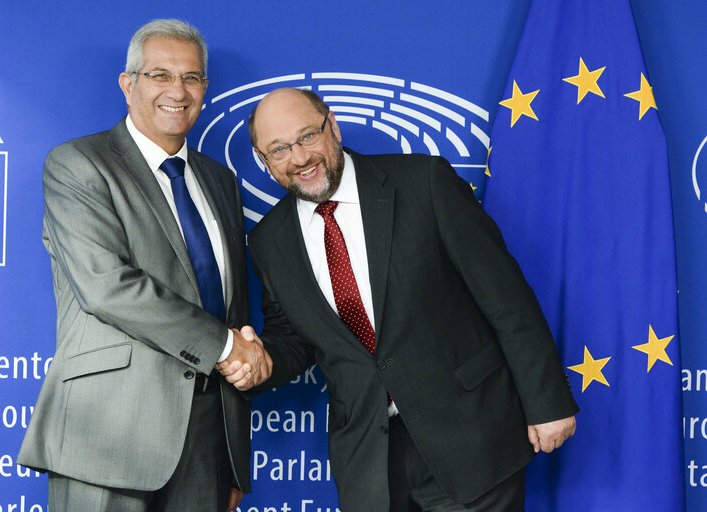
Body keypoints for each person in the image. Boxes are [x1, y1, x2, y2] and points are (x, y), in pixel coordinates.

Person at [217, 88, 578, 512]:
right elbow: (296, 339)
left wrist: (547, 403)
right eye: (279, 149)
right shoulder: (268, 241)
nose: (299, 158)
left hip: (469, 437)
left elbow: (506, 297)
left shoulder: (423, 182)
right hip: (369, 462)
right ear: (263, 160)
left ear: (331, 126)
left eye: (308, 137)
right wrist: (261, 362)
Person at [17, 19, 270, 512]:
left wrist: (233, 453)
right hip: (108, 432)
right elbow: (106, 286)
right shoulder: (79, 163)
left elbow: (230, 302)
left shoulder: (219, 181)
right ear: (127, 83)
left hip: (207, 438)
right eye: (160, 74)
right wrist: (226, 347)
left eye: (192, 78)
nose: (178, 90)